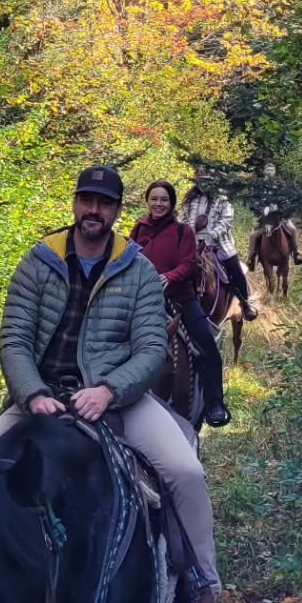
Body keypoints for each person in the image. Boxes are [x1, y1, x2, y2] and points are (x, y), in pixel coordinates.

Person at [0, 165, 240, 603]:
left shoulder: (136, 268)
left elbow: (151, 349)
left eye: (104, 202)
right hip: (39, 397)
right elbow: (14, 339)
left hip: (118, 399)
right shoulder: (38, 261)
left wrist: (110, 390)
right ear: (76, 203)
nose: (93, 210)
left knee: (185, 473)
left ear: (118, 211)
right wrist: (32, 392)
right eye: (87, 200)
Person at [129, 180, 231, 428]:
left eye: (164, 199)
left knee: (207, 346)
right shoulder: (139, 229)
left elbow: (188, 263)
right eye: (154, 199)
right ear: (147, 201)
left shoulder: (182, 231)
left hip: (180, 300)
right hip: (144, 300)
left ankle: (215, 404)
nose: (159, 204)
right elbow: (128, 259)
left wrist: (168, 277)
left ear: (171, 203)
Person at [180, 171, 257, 320]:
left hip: (219, 244)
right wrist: (187, 232)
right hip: (193, 244)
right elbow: (183, 219)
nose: (203, 183)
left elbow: (226, 221)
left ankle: (245, 303)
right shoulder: (190, 200)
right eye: (200, 180)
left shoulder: (222, 199)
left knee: (235, 269)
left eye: (207, 180)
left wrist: (212, 235)